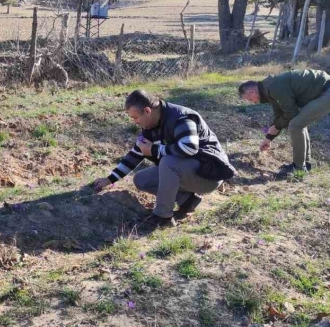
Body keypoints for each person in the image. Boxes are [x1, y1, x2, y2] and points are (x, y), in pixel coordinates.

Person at [92, 90, 236, 229]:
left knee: (169, 162)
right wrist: (109, 180)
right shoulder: (150, 124)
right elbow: (136, 154)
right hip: (191, 172)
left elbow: (190, 147)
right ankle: (187, 200)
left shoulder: (181, 118)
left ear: (147, 111)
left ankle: (163, 217)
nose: (135, 122)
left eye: (135, 117)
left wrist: (155, 150)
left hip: (209, 175)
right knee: (141, 179)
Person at [238, 69, 330, 177]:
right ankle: (305, 164)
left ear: (252, 92)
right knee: (299, 123)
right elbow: (279, 115)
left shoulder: (274, 87)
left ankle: (298, 168)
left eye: (250, 99)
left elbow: (291, 113)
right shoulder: (269, 89)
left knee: (296, 125)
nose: (253, 102)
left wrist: (276, 126)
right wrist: (269, 138)